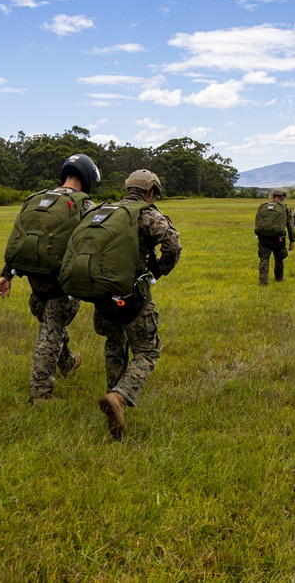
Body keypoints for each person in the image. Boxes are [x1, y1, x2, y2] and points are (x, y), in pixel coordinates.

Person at [0, 155, 100, 403]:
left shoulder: (38, 199)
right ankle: (41, 396)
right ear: (87, 178)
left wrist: (7, 274)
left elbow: (21, 239)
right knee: (50, 334)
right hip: (62, 287)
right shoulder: (84, 206)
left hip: (35, 283)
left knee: (50, 323)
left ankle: (68, 363)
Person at [93, 170, 181, 440]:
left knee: (114, 343)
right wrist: (158, 270)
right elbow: (172, 246)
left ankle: (113, 399)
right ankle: (120, 397)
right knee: (148, 350)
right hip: (133, 295)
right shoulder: (148, 214)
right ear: (151, 192)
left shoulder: (104, 211)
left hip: (102, 294)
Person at [256, 187, 295, 286]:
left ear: (273, 196)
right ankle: (279, 277)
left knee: (264, 259)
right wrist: (292, 240)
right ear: (282, 197)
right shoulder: (284, 208)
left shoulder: (263, 206)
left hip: (263, 237)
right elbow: (290, 225)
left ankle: (263, 281)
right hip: (278, 238)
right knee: (279, 258)